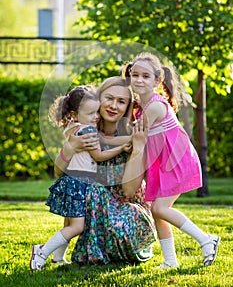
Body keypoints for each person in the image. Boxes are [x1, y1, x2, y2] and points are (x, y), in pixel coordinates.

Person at [122, 52, 220, 268]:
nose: (138, 80)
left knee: (160, 209)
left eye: (145, 76)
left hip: (176, 161)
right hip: (163, 164)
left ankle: (206, 240)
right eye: (135, 75)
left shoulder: (155, 106)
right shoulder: (143, 105)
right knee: (158, 211)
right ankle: (170, 261)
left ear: (157, 81)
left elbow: (135, 138)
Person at [53, 77, 156, 265]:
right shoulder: (85, 130)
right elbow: (59, 172)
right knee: (86, 192)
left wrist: (138, 148)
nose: (114, 106)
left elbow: (128, 191)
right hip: (94, 204)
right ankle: (58, 254)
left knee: (117, 224)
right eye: (109, 98)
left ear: (127, 107)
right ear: (98, 99)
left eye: (121, 101)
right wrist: (69, 148)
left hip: (125, 206)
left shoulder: (133, 134)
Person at [30, 85, 132, 270]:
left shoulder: (72, 127)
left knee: (69, 223)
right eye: (91, 113)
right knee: (77, 227)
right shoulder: (87, 131)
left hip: (71, 180)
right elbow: (99, 155)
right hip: (79, 182)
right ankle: (42, 251)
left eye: (96, 112)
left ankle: (58, 257)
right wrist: (122, 148)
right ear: (76, 114)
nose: (96, 117)